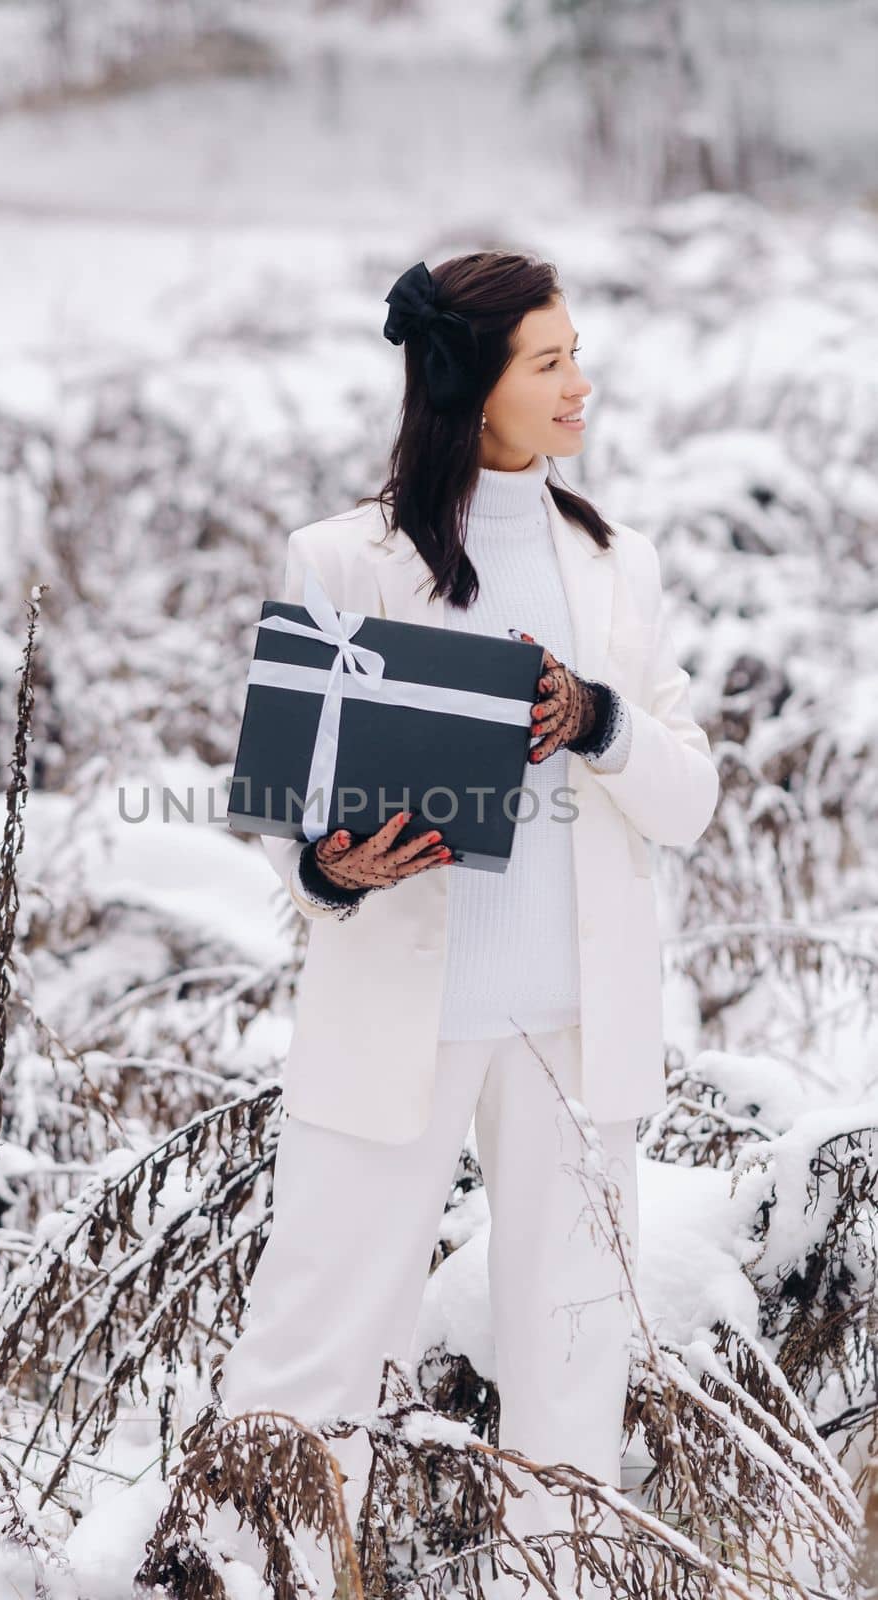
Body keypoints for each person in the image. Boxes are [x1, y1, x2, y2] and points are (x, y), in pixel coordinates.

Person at [211, 253, 720, 1594]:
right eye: (549, 362)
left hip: (576, 1024)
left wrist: (601, 721)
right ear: (468, 383)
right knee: (314, 1346)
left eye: (575, 357)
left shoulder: (619, 565)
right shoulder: (342, 558)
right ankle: (261, 1572)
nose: (580, 385)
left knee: (569, 1365)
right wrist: (332, 865)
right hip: (397, 1018)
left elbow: (691, 796)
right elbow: (287, 810)